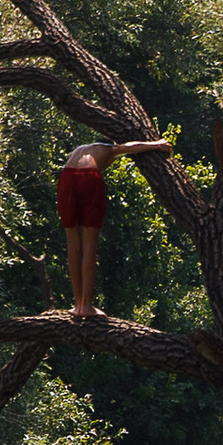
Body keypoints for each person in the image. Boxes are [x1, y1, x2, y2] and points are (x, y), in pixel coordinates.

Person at [55, 133, 171, 316]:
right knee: (89, 245)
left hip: (66, 178)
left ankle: (77, 305)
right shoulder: (108, 149)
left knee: (72, 245)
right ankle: (86, 306)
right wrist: (156, 145)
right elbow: (128, 146)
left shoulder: (80, 149)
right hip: (88, 178)